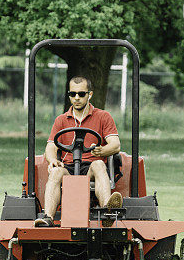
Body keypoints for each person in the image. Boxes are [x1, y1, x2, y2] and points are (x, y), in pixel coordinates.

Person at [34, 75, 123, 227]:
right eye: (72, 94)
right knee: (55, 172)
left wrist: (101, 151)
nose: (76, 98)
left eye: (81, 94)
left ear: (90, 94)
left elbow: (115, 145)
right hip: (67, 168)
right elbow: (50, 147)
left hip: (91, 168)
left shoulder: (103, 117)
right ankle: (47, 217)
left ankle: (107, 212)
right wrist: (52, 160)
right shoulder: (61, 120)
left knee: (99, 165)